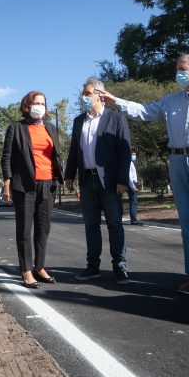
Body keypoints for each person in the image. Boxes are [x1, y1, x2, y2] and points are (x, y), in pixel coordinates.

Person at [99, 54, 189, 300]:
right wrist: (116, 100)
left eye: (182, 69)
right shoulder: (171, 101)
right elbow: (144, 112)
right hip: (178, 161)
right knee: (187, 224)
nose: (177, 74)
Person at [64, 77, 132, 285]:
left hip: (110, 182)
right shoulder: (78, 121)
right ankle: (92, 266)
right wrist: (69, 175)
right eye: (83, 94)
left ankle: (119, 267)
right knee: (91, 225)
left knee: (114, 224)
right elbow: (74, 150)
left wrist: (122, 179)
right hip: (87, 180)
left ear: (100, 95)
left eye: (87, 93)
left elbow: (125, 151)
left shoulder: (116, 118)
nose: (83, 97)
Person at [1, 91, 64, 289]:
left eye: (43, 103)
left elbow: (56, 155)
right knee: (25, 230)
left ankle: (40, 266)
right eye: (36, 103)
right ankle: (26, 270)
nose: (40, 106)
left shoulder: (51, 128)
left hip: (48, 184)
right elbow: (7, 157)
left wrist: (59, 177)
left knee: (43, 229)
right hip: (24, 185)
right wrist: (7, 181)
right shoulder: (16, 128)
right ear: (27, 106)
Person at [127, 152, 141, 225]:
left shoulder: (131, 163)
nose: (134, 156)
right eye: (133, 155)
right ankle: (134, 220)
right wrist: (133, 187)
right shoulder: (129, 163)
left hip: (133, 183)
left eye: (135, 155)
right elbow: (129, 176)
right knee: (133, 202)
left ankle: (134, 219)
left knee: (134, 201)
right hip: (132, 183)